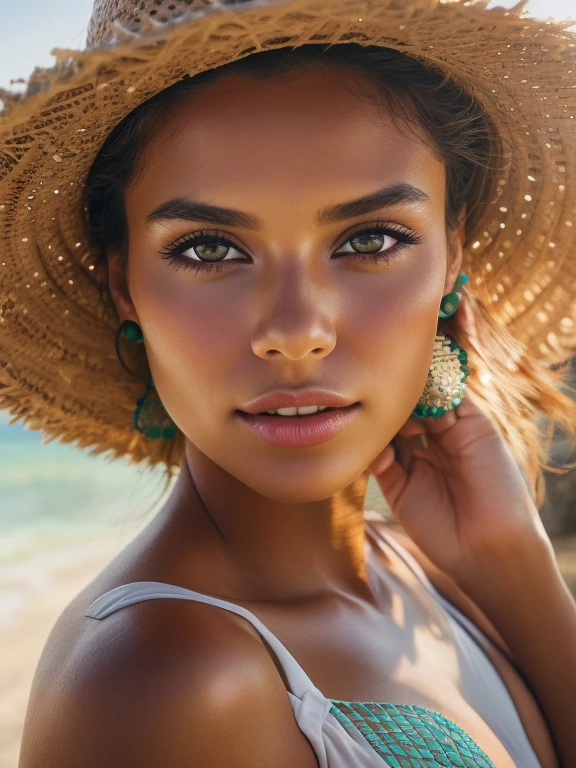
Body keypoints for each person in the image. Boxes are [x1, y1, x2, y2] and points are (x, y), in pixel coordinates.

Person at [2, 0, 576, 766]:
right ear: (124, 283)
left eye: (370, 239)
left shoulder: (431, 572)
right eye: (210, 249)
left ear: (452, 254)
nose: (296, 329)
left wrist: (514, 560)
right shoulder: (166, 681)